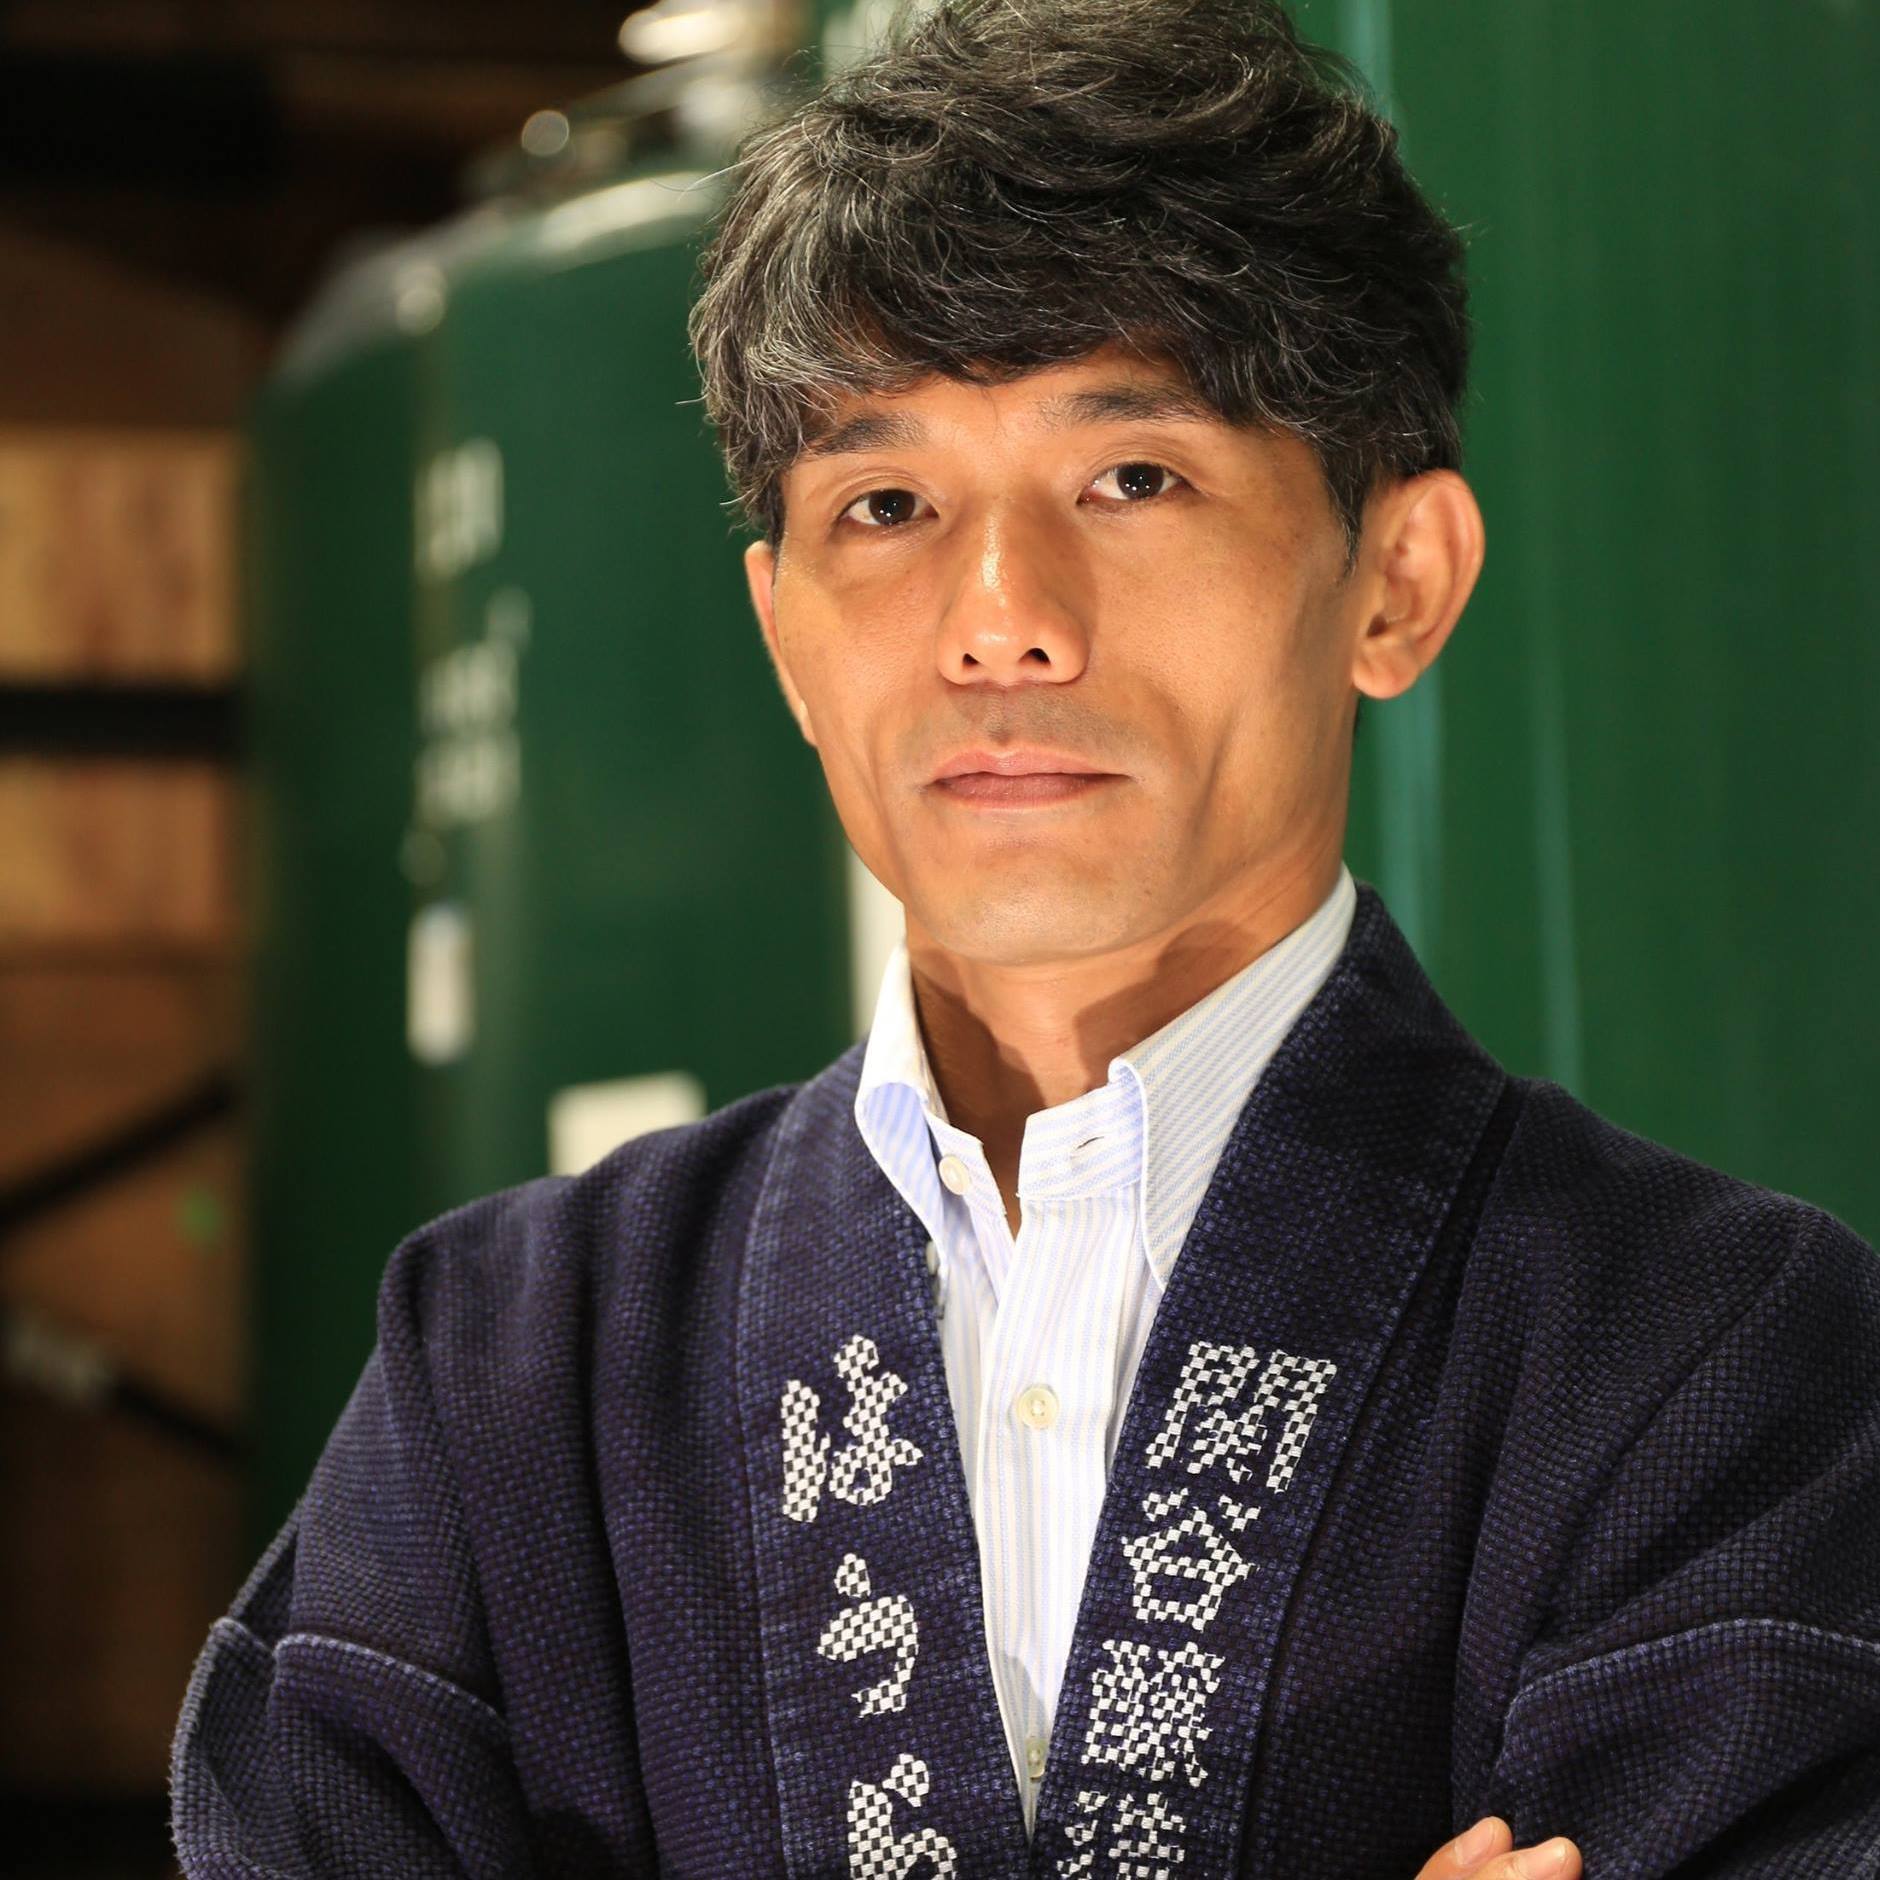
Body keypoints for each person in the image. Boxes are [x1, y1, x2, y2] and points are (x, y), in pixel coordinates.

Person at [170, 1, 1880, 1875]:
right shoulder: (512, 1365)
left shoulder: (1717, 1360)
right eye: (888, 504)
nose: (999, 618)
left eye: (1133, 478)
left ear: (1397, 582)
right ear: (787, 638)